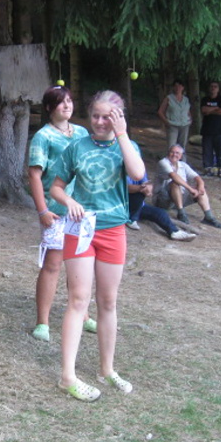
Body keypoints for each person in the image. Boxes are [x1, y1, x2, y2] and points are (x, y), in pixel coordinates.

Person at [50, 90, 145, 401]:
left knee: (108, 302)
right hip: (81, 229)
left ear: (119, 118)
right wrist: (69, 201)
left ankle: (107, 369)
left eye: (108, 117)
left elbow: (138, 174)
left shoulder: (126, 145)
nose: (100, 122)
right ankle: (67, 376)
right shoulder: (77, 146)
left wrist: (122, 134)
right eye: (95, 116)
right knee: (78, 300)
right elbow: (56, 188)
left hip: (113, 230)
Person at [27, 84, 95, 343]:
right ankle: (42, 322)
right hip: (55, 211)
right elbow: (34, 175)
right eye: (60, 101)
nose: (67, 105)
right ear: (49, 107)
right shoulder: (43, 137)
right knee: (53, 264)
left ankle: (84, 315)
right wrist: (42, 210)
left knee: (81, 265)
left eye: (69, 100)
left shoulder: (82, 133)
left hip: (82, 210)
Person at [154, 144, 221, 228]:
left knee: (200, 189)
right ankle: (181, 213)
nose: (174, 154)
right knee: (175, 183)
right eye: (172, 152)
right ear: (168, 153)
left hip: (179, 197)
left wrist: (201, 186)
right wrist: (190, 189)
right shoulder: (163, 162)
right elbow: (174, 176)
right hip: (163, 199)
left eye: (177, 153)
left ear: (181, 156)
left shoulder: (183, 165)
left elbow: (197, 177)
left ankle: (208, 217)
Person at [127, 173, 196, 241]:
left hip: (140, 206)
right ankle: (131, 219)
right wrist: (141, 188)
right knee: (139, 193)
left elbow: (146, 183)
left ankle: (174, 232)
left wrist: (148, 187)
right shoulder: (123, 171)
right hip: (125, 205)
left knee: (160, 212)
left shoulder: (140, 169)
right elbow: (126, 188)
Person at [200, 81, 221, 177]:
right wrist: (216, 108)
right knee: (207, 151)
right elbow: (203, 110)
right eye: (211, 86)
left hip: (220, 129)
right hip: (207, 129)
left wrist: (210, 110)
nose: (213, 88)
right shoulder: (205, 99)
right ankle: (208, 169)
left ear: (218, 89)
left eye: (215, 86)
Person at [157, 79, 191, 155]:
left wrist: (190, 120)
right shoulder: (168, 98)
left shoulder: (186, 99)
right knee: (171, 146)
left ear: (183, 87)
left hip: (184, 125)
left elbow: (188, 111)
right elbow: (160, 111)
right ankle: (170, 161)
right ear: (173, 87)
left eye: (179, 86)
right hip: (172, 125)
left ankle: (182, 161)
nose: (177, 88)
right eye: (175, 86)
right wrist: (166, 122)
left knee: (182, 146)